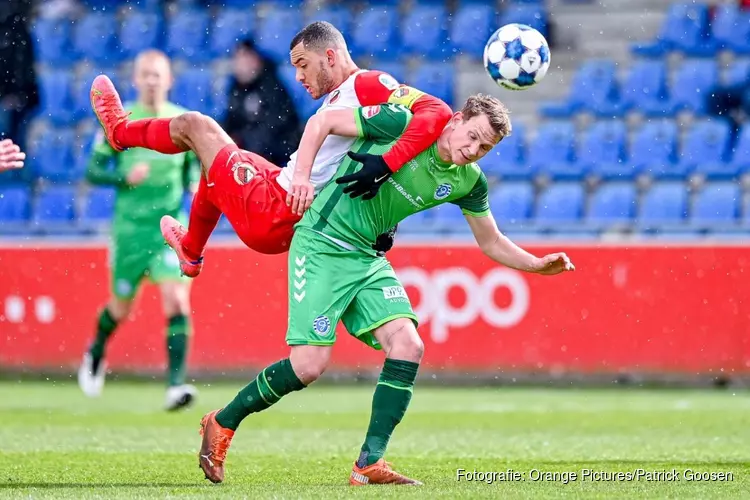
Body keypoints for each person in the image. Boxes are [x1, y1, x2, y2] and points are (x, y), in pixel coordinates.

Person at [196, 95, 576, 485]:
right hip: (322, 243)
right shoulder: (404, 125)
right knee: (309, 365)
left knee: (409, 345)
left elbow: (491, 240)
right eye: (473, 136)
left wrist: (536, 265)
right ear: (457, 119)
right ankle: (222, 422)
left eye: (485, 147)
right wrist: (301, 178)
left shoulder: (469, 181)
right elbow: (323, 122)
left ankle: (368, 463)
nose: (473, 150)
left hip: (367, 258)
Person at [89, 21, 453, 270]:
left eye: (303, 64)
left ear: (330, 57)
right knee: (225, 157)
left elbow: (437, 111)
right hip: (282, 205)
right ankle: (191, 251)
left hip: (277, 209)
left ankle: (120, 132)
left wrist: (388, 163)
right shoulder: (346, 97)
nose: (298, 76)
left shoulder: (368, 84)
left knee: (196, 126)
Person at [78, 50, 201, 411]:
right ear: (135, 79)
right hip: (130, 229)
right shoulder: (120, 120)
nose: (151, 80)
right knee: (121, 307)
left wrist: (193, 183)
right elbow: (93, 170)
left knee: (176, 299)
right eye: (145, 74)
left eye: (157, 75)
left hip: (168, 226)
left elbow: (192, 165)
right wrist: (122, 177)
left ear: (168, 79)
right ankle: (96, 351)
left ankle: (175, 386)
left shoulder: (180, 120)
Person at [223, 39, 301, 166]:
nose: (239, 65)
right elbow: (231, 120)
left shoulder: (272, 86)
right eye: (237, 59)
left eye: (244, 59)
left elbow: (275, 125)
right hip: (250, 154)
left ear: (255, 61)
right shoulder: (235, 87)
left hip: (278, 155)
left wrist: (247, 151)